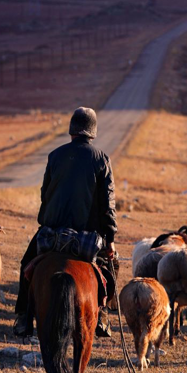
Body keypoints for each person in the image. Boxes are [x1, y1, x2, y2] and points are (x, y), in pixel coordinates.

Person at [13, 107, 118, 338]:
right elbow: (107, 204)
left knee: (26, 264)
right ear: (92, 133)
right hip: (86, 237)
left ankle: (22, 317)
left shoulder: (55, 155)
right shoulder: (102, 159)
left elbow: (45, 194)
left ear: (71, 131)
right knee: (112, 266)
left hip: (52, 232)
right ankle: (102, 316)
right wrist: (110, 240)